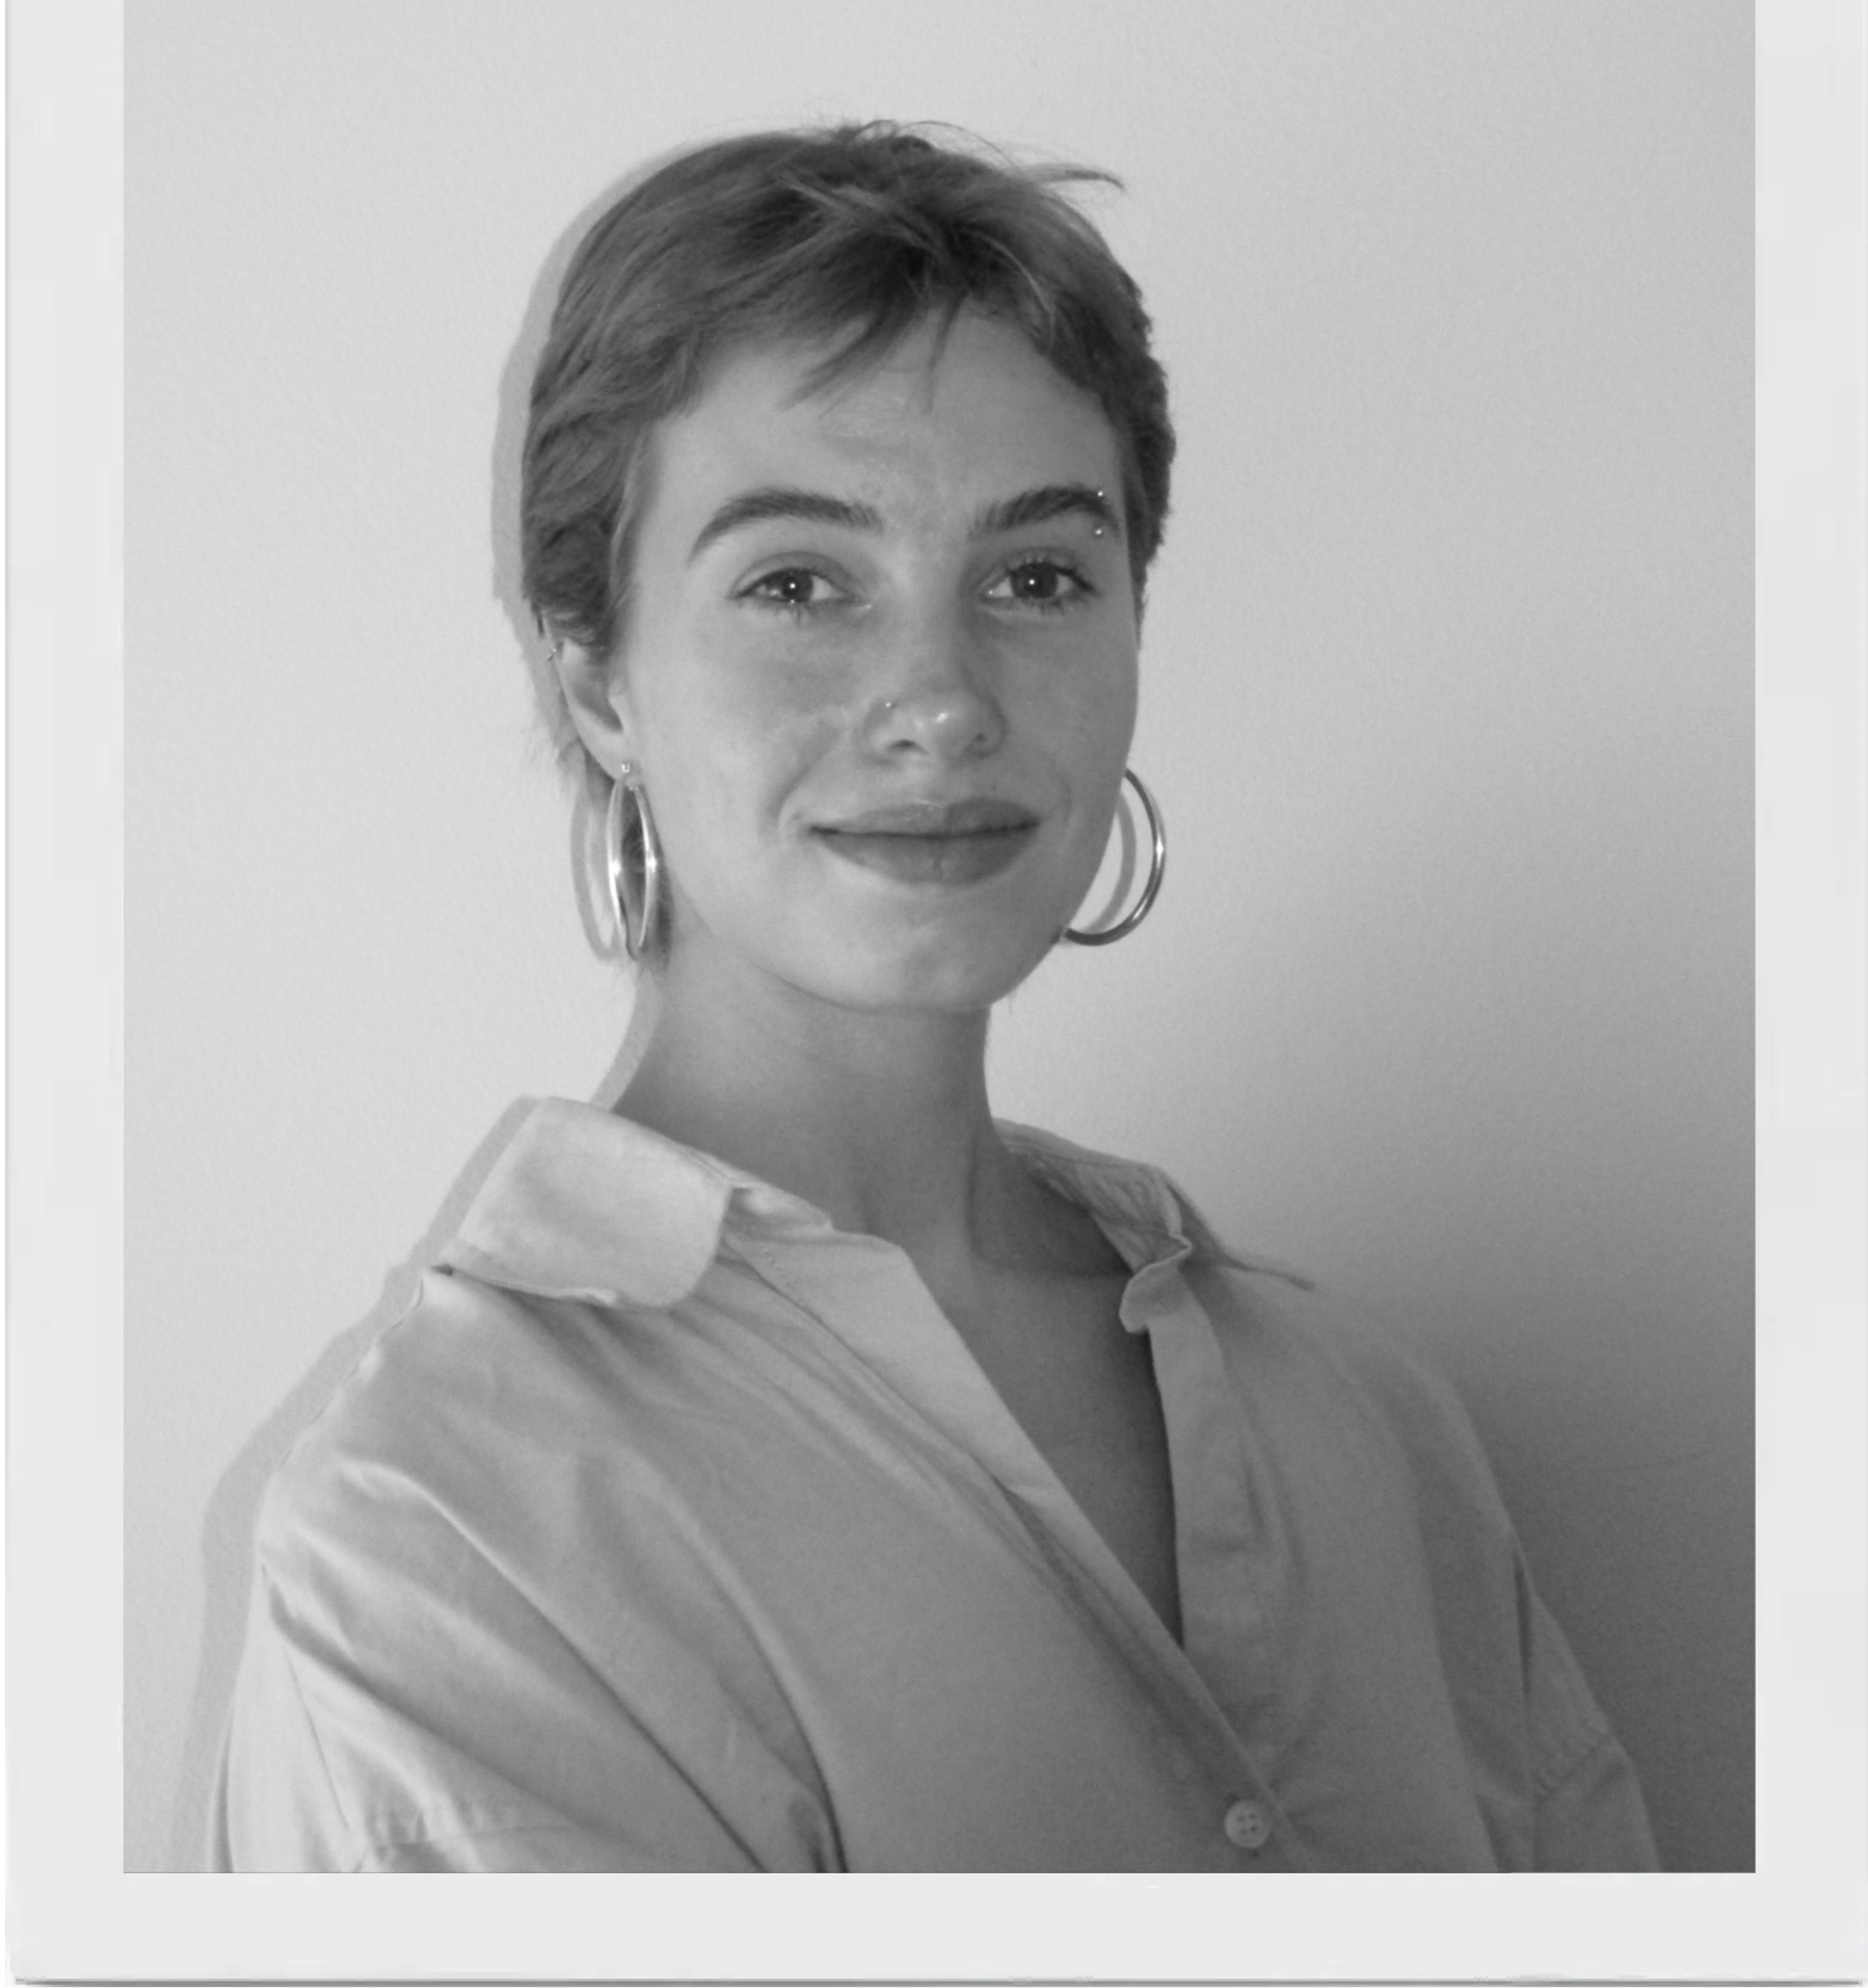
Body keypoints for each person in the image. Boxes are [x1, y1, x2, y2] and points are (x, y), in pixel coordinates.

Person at [210, 122, 1659, 1872]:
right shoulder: (442, 1530)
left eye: (1037, 575)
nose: (945, 699)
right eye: (798, 584)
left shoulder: (1366, 1421)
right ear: (596, 681)